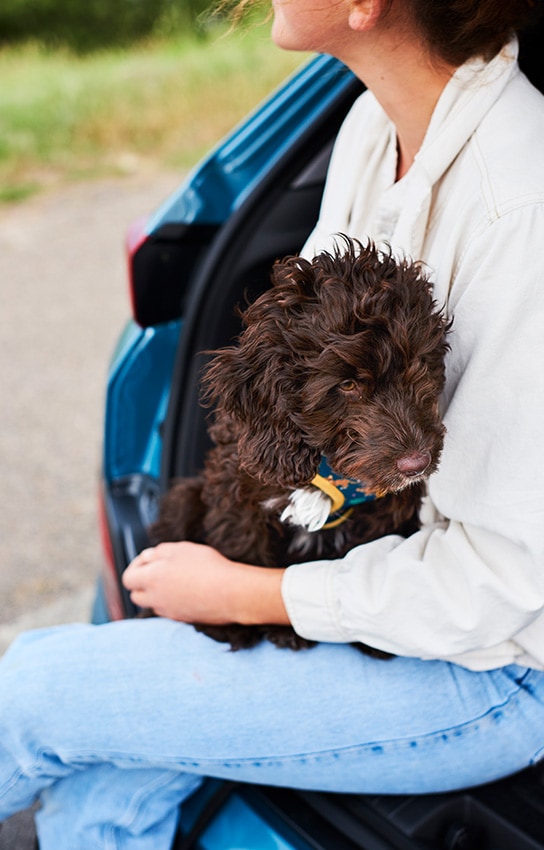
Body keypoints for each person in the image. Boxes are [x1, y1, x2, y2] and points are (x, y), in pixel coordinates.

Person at [2, 0, 544, 847]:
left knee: (31, 694)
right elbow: (304, 346)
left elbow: (498, 586)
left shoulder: (521, 205)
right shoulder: (372, 123)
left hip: (489, 671)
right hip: (373, 574)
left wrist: (248, 595)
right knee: (105, 780)